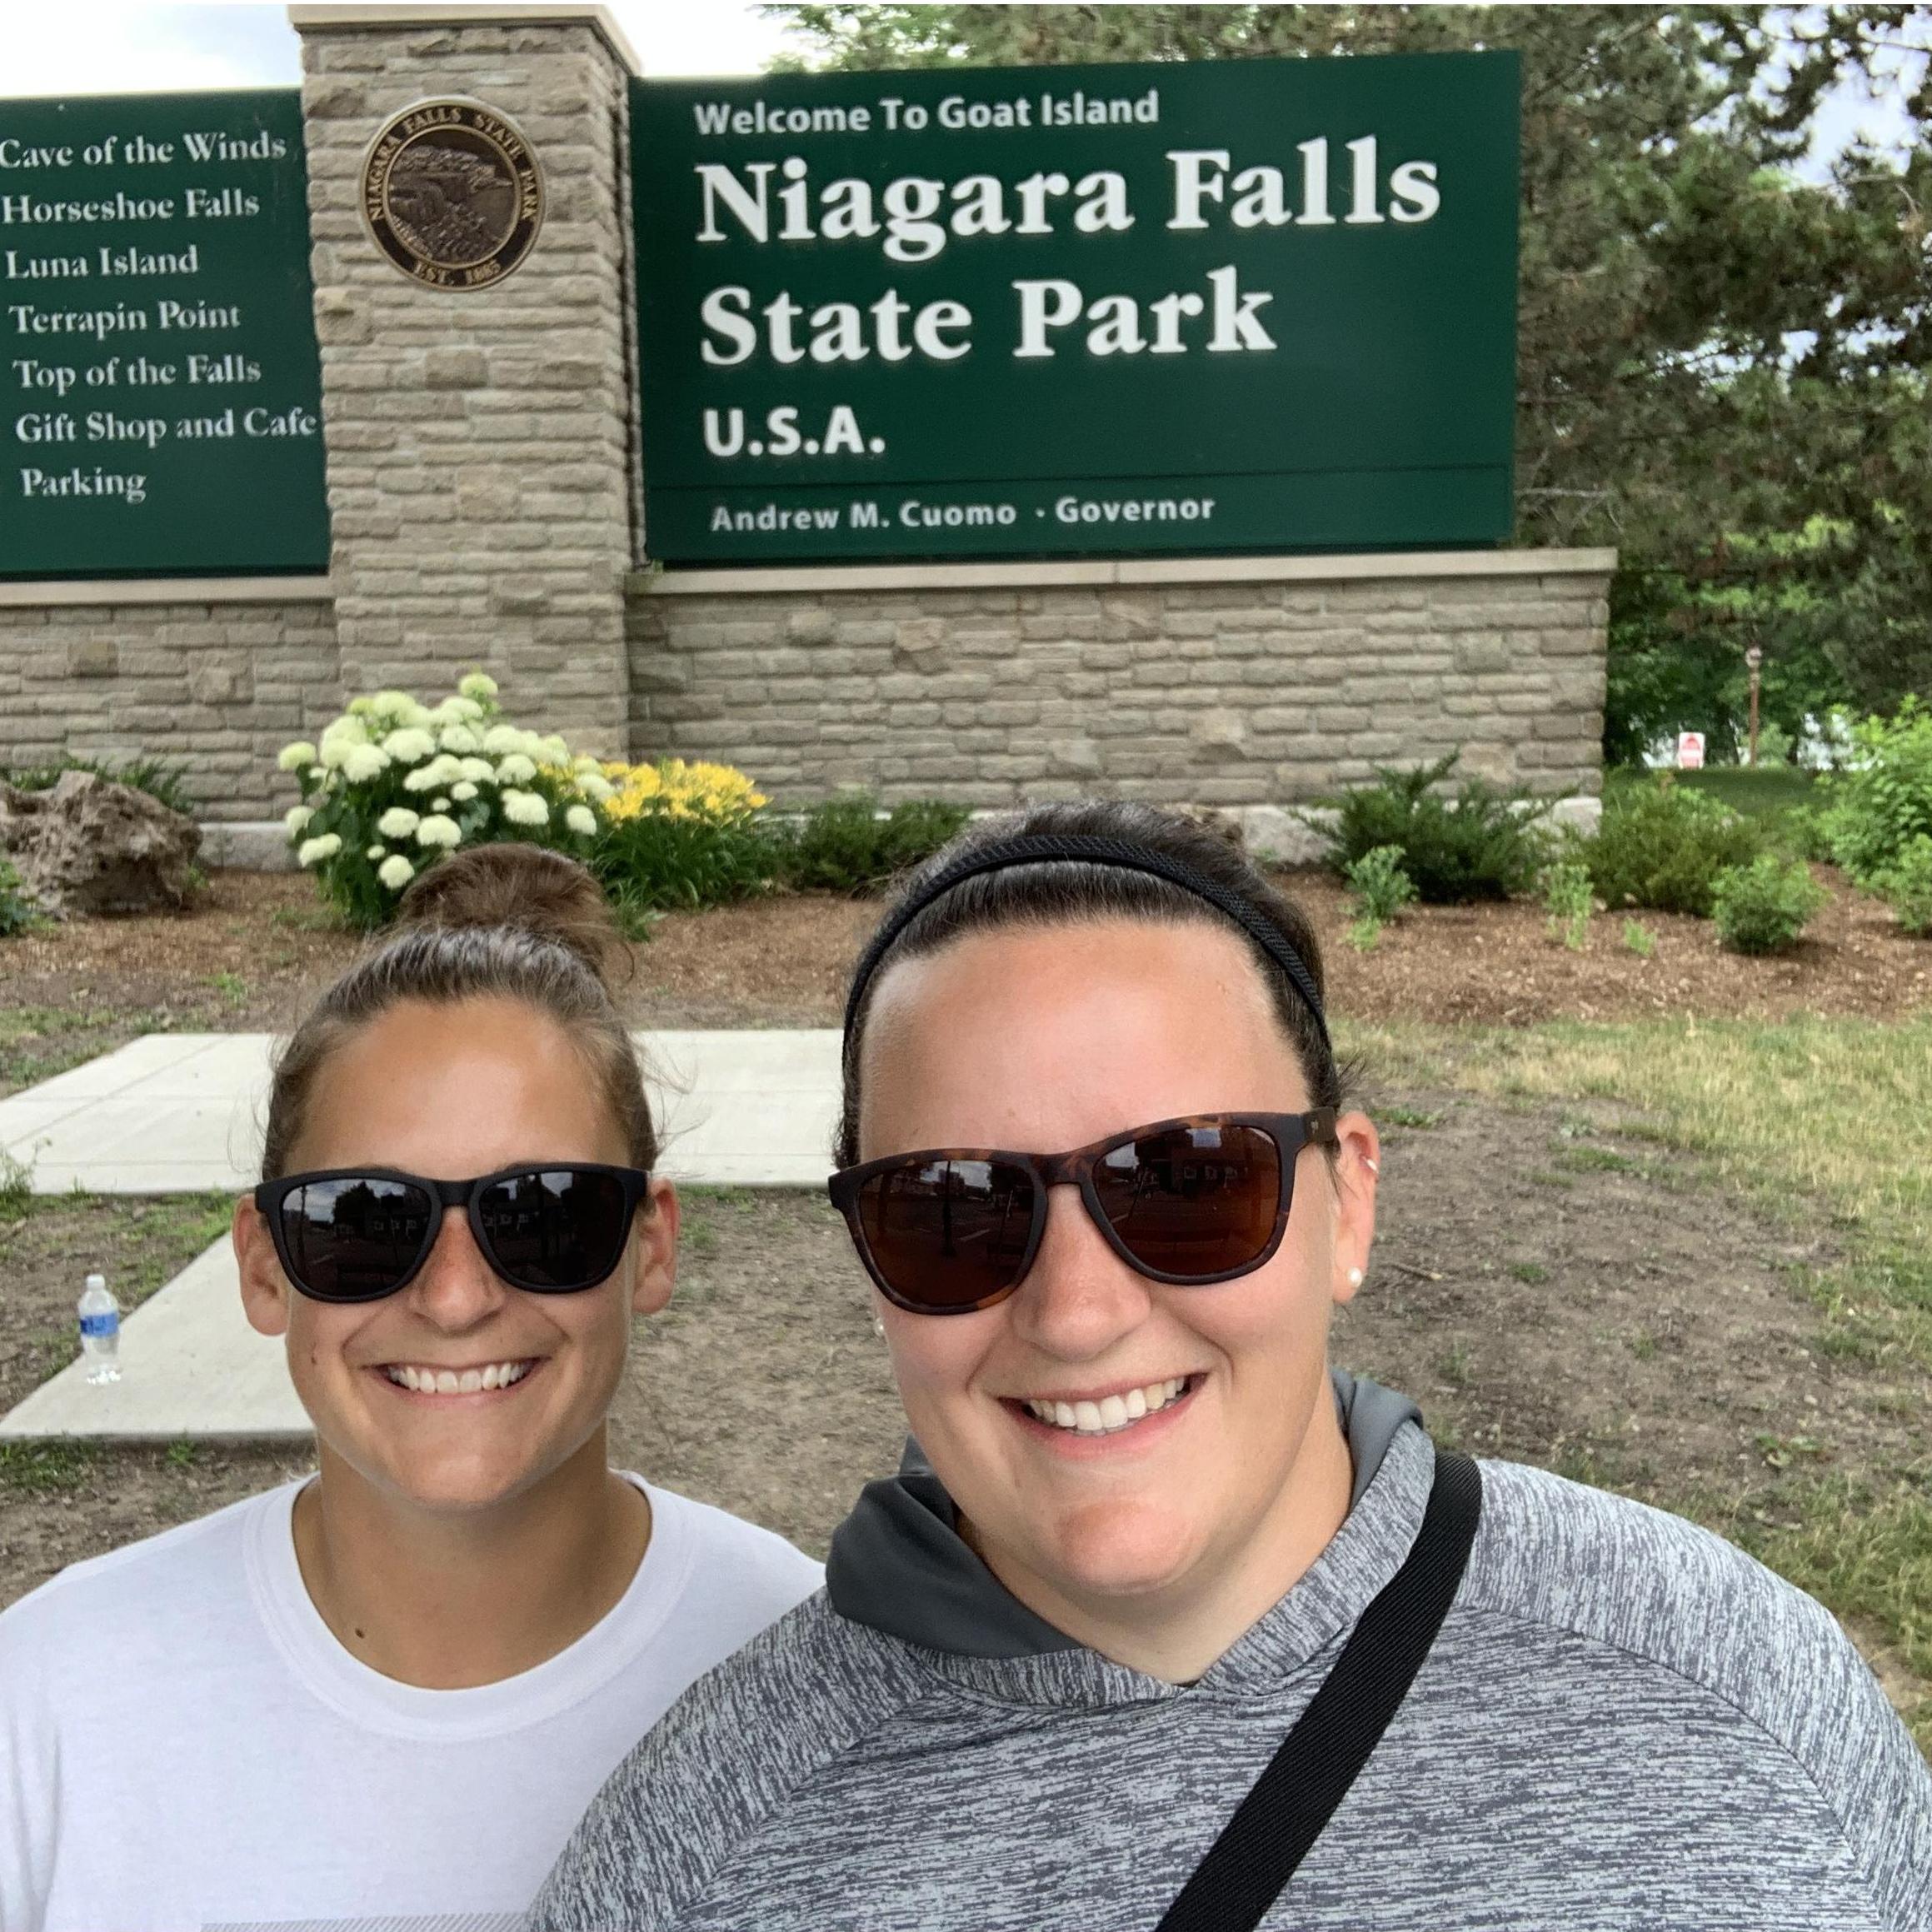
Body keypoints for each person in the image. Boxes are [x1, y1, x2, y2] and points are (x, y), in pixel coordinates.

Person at [533, 801, 1932, 1932]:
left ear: (1351, 1202)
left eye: (1189, 1182)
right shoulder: (703, 1851)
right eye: (953, 1207)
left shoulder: (1740, 1707)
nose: (1076, 1313)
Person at [0, 845, 821, 1932]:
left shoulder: (811, 1676)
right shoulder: (54, 1701)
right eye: (362, 1220)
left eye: (542, 1213)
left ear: (650, 1246)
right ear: (262, 1262)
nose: (452, 1297)